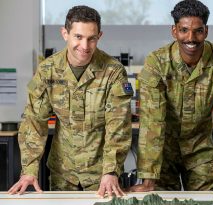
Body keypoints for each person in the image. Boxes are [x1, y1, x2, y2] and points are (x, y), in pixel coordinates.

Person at [130, 0, 213, 192]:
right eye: (184, 30)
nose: (191, 38)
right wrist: (148, 180)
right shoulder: (157, 62)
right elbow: (153, 121)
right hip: (162, 153)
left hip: (200, 150)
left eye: (198, 31)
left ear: (206, 31)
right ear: (174, 31)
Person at [8, 5, 133, 198]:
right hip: (62, 174)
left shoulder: (113, 71)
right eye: (78, 37)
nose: (85, 46)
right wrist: (29, 170)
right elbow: (34, 122)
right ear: (65, 33)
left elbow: (118, 125)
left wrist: (111, 170)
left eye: (91, 38)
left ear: (99, 36)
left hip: (102, 176)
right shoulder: (47, 70)